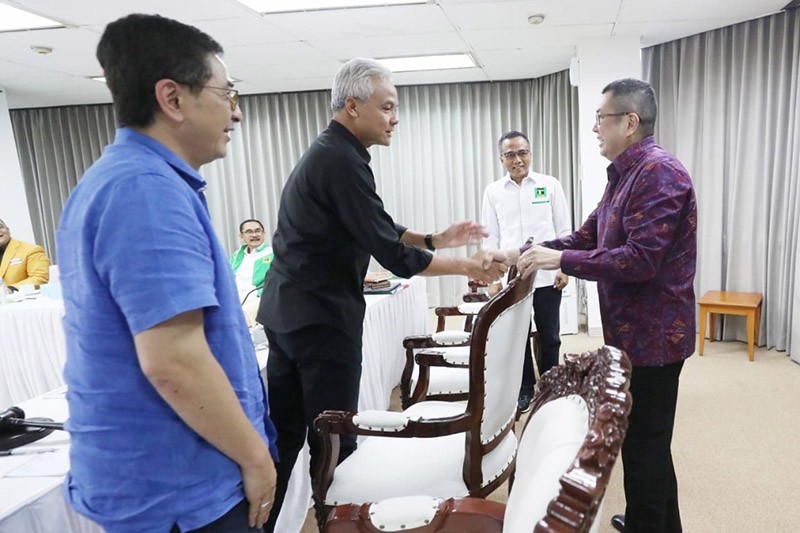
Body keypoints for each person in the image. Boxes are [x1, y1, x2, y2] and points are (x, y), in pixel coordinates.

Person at [256, 57, 506, 531]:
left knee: (287, 437)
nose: (395, 118)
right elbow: (391, 254)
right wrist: (465, 265)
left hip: (288, 315)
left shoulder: (332, 153)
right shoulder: (341, 160)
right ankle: (337, 521)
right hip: (320, 322)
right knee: (334, 440)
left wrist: (433, 239)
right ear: (352, 106)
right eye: (387, 107)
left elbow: (377, 225)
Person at [56, 14, 277, 533]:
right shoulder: (144, 190)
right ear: (172, 99)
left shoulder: (130, 179)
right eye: (228, 95)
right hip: (177, 484)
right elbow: (173, 362)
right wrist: (257, 459)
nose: (236, 114)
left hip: (169, 475)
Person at [508, 78, 697, 533]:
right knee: (644, 442)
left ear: (629, 123)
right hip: (632, 332)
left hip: (654, 337)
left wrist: (561, 260)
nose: (594, 128)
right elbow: (586, 237)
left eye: (600, 118)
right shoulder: (624, 175)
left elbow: (640, 259)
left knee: (645, 447)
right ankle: (656, 522)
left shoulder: (660, 173)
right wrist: (524, 254)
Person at [481, 131, 571, 412]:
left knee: (550, 336)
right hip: (513, 279)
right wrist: (492, 279)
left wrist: (565, 266)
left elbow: (565, 231)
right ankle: (524, 389)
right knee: (517, 337)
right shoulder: (493, 192)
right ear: (501, 159)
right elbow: (489, 239)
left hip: (546, 275)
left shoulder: (550, 185)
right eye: (510, 155)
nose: (517, 159)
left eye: (522, 153)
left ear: (530, 154)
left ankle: (551, 388)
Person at [230, 218, 273, 325]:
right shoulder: (236, 256)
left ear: (263, 234)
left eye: (258, 231)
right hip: (235, 297)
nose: (254, 235)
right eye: (249, 232)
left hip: (259, 298)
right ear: (241, 236)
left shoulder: (272, 253)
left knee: (239, 316)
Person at [0, 218, 50, 290]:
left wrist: (11, 289)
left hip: (23, 299)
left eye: (0, 227)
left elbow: (39, 278)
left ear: (8, 230)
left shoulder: (32, 250)